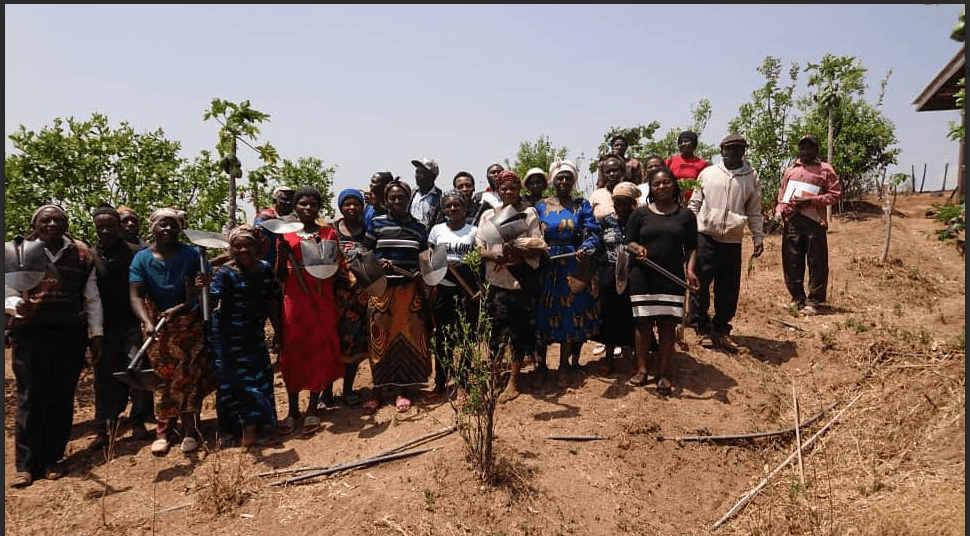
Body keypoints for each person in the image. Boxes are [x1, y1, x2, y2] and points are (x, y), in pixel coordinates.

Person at [6, 205, 103, 487]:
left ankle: (53, 459)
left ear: (66, 225)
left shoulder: (82, 254)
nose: (51, 223)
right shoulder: (17, 252)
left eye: (57, 219)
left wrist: (96, 334)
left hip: (68, 334)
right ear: (34, 225)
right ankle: (25, 465)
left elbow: (91, 296)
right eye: (45, 220)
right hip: (29, 333)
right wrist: (14, 305)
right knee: (29, 397)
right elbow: (6, 290)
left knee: (61, 397)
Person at [129, 206, 213, 456]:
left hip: (187, 323)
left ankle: (189, 431)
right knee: (163, 379)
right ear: (152, 227)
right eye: (162, 224)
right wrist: (147, 322)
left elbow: (198, 290)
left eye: (173, 225)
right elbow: (135, 294)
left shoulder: (192, 255)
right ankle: (164, 432)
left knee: (188, 376)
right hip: (157, 325)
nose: (168, 228)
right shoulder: (141, 259)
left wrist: (196, 289)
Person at [274, 186, 344, 436]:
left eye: (312, 204)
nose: (307, 208)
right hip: (294, 298)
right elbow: (279, 275)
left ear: (318, 208)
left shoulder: (328, 233)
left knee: (318, 348)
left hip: (321, 298)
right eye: (302, 204)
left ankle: (313, 408)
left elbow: (336, 270)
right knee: (292, 350)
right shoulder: (285, 235)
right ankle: (293, 410)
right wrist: (281, 256)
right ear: (295, 206)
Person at [625, 168, 699, 396]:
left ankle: (664, 373)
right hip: (643, 277)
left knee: (667, 326)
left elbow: (692, 247)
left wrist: (690, 270)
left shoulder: (686, 216)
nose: (661, 187)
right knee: (643, 324)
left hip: (672, 278)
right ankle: (643, 369)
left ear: (674, 185)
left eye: (666, 182)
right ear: (651, 188)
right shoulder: (639, 215)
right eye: (656, 184)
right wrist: (637, 248)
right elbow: (629, 242)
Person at [206, 224, 281, 448]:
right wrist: (202, 285)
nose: (243, 251)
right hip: (227, 336)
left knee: (259, 378)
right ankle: (230, 430)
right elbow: (211, 302)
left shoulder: (265, 269)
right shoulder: (226, 272)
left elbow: (273, 301)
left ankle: (261, 426)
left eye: (247, 246)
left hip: (254, 334)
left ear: (257, 247)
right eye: (237, 247)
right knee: (230, 383)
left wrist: (279, 331)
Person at [687, 134, 764, 351]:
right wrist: (689, 232)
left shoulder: (751, 177)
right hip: (706, 236)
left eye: (738, 148)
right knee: (700, 283)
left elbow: (754, 211)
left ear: (744, 151)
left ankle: (721, 328)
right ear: (721, 151)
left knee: (728, 287)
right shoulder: (708, 174)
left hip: (732, 239)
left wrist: (758, 236)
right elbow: (694, 204)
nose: (732, 152)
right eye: (728, 148)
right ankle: (701, 327)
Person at [475, 170, 547, 402]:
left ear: (519, 191)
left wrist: (516, 251)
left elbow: (537, 245)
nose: (508, 192)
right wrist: (494, 257)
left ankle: (513, 382)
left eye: (513, 188)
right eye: (504, 188)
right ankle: (495, 377)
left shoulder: (528, 214)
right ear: (497, 191)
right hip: (496, 281)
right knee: (495, 333)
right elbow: (479, 246)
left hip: (520, 281)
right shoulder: (487, 216)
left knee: (519, 332)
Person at [363, 180, 433, 414]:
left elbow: (425, 259)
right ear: (385, 200)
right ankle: (378, 389)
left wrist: (418, 273)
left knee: (407, 339)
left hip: (409, 291)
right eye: (391, 198)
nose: (396, 202)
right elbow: (365, 253)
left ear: (408, 200)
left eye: (401, 198)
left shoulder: (419, 227)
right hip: (381, 292)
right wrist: (377, 264)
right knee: (379, 339)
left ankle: (403, 388)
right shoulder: (376, 224)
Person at [89, 203, 155, 450]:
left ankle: (138, 421)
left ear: (119, 227)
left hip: (130, 323)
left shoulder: (136, 253)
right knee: (103, 379)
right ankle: (103, 428)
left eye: (110, 226)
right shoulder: (90, 257)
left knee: (137, 369)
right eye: (100, 227)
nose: (105, 231)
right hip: (102, 327)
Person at [535, 160, 601, 385]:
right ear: (553, 180)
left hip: (572, 262)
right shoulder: (540, 206)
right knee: (542, 313)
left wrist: (586, 247)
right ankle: (541, 366)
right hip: (545, 263)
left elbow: (593, 232)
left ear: (574, 181)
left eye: (568, 178)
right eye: (559, 177)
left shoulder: (581, 205)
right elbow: (533, 232)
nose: (563, 181)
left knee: (569, 314)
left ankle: (563, 366)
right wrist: (539, 250)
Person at [773, 133, 842, 316]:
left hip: (814, 222)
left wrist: (812, 200)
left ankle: (815, 301)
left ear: (816, 150)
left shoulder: (825, 169)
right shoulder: (790, 171)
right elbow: (782, 197)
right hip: (793, 221)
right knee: (792, 261)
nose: (805, 151)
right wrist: (779, 213)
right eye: (803, 147)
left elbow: (834, 195)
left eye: (809, 147)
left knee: (816, 262)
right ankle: (797, 298)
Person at [428, 189, 481, 399]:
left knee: (466, 337)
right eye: (448, 205)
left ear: (464, 207)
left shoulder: (473, 231)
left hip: (466, 291)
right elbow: (430, 259)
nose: (452, 208)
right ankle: (440, 382)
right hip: (443, 289)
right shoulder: (436, 230)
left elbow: (478, 261)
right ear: (443, 208)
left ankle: (463, 382)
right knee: (442, 338)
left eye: (457, 205)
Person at [322, 189, 371, 407]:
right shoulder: (331, 231)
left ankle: (348, 389)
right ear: (340, 207)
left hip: (358, 297)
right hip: (334, 295)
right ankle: (326, 392)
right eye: (347, 204)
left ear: (361, 207)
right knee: (330, 342)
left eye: (356, 204)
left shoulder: (367, 231)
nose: (351, 208)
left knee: (353, 342)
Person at [589, 182, 640, 374]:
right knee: (609, 315)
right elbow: (599, 248)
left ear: (633, 202)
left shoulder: (639, 221)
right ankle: (609, 359)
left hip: (634, 274)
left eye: (625, 202)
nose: (621, 206)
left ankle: (637, 357)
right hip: (610, 274)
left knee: (635, 316)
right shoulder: (604, 222)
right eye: (617, 201)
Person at [253, 185, 295, 266]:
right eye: (285, 199)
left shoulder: (292, 219)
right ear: (275, 200)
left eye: (292, 200)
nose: (289, 202)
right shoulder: (265, 218)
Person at [665, 131, 708, 203]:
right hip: (673, 201)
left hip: (695, 202)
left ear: (693, 143)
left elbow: (705, 184)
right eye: (680, 142)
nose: (683, 144)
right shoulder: (670, 161)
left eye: (686, 141)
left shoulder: (702, 163)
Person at [589, 153, 628, 220]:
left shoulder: (630, 192)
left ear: (622, 172)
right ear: (603, 174)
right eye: (608, 172)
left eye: (615, 170)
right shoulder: (596, 195)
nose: (611, 174)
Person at [409, 157, 445, 229]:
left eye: (421, 172)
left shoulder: (440, 197)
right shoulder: (411, 194)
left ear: (432, 176)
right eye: (417, 172)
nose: (417, 175)